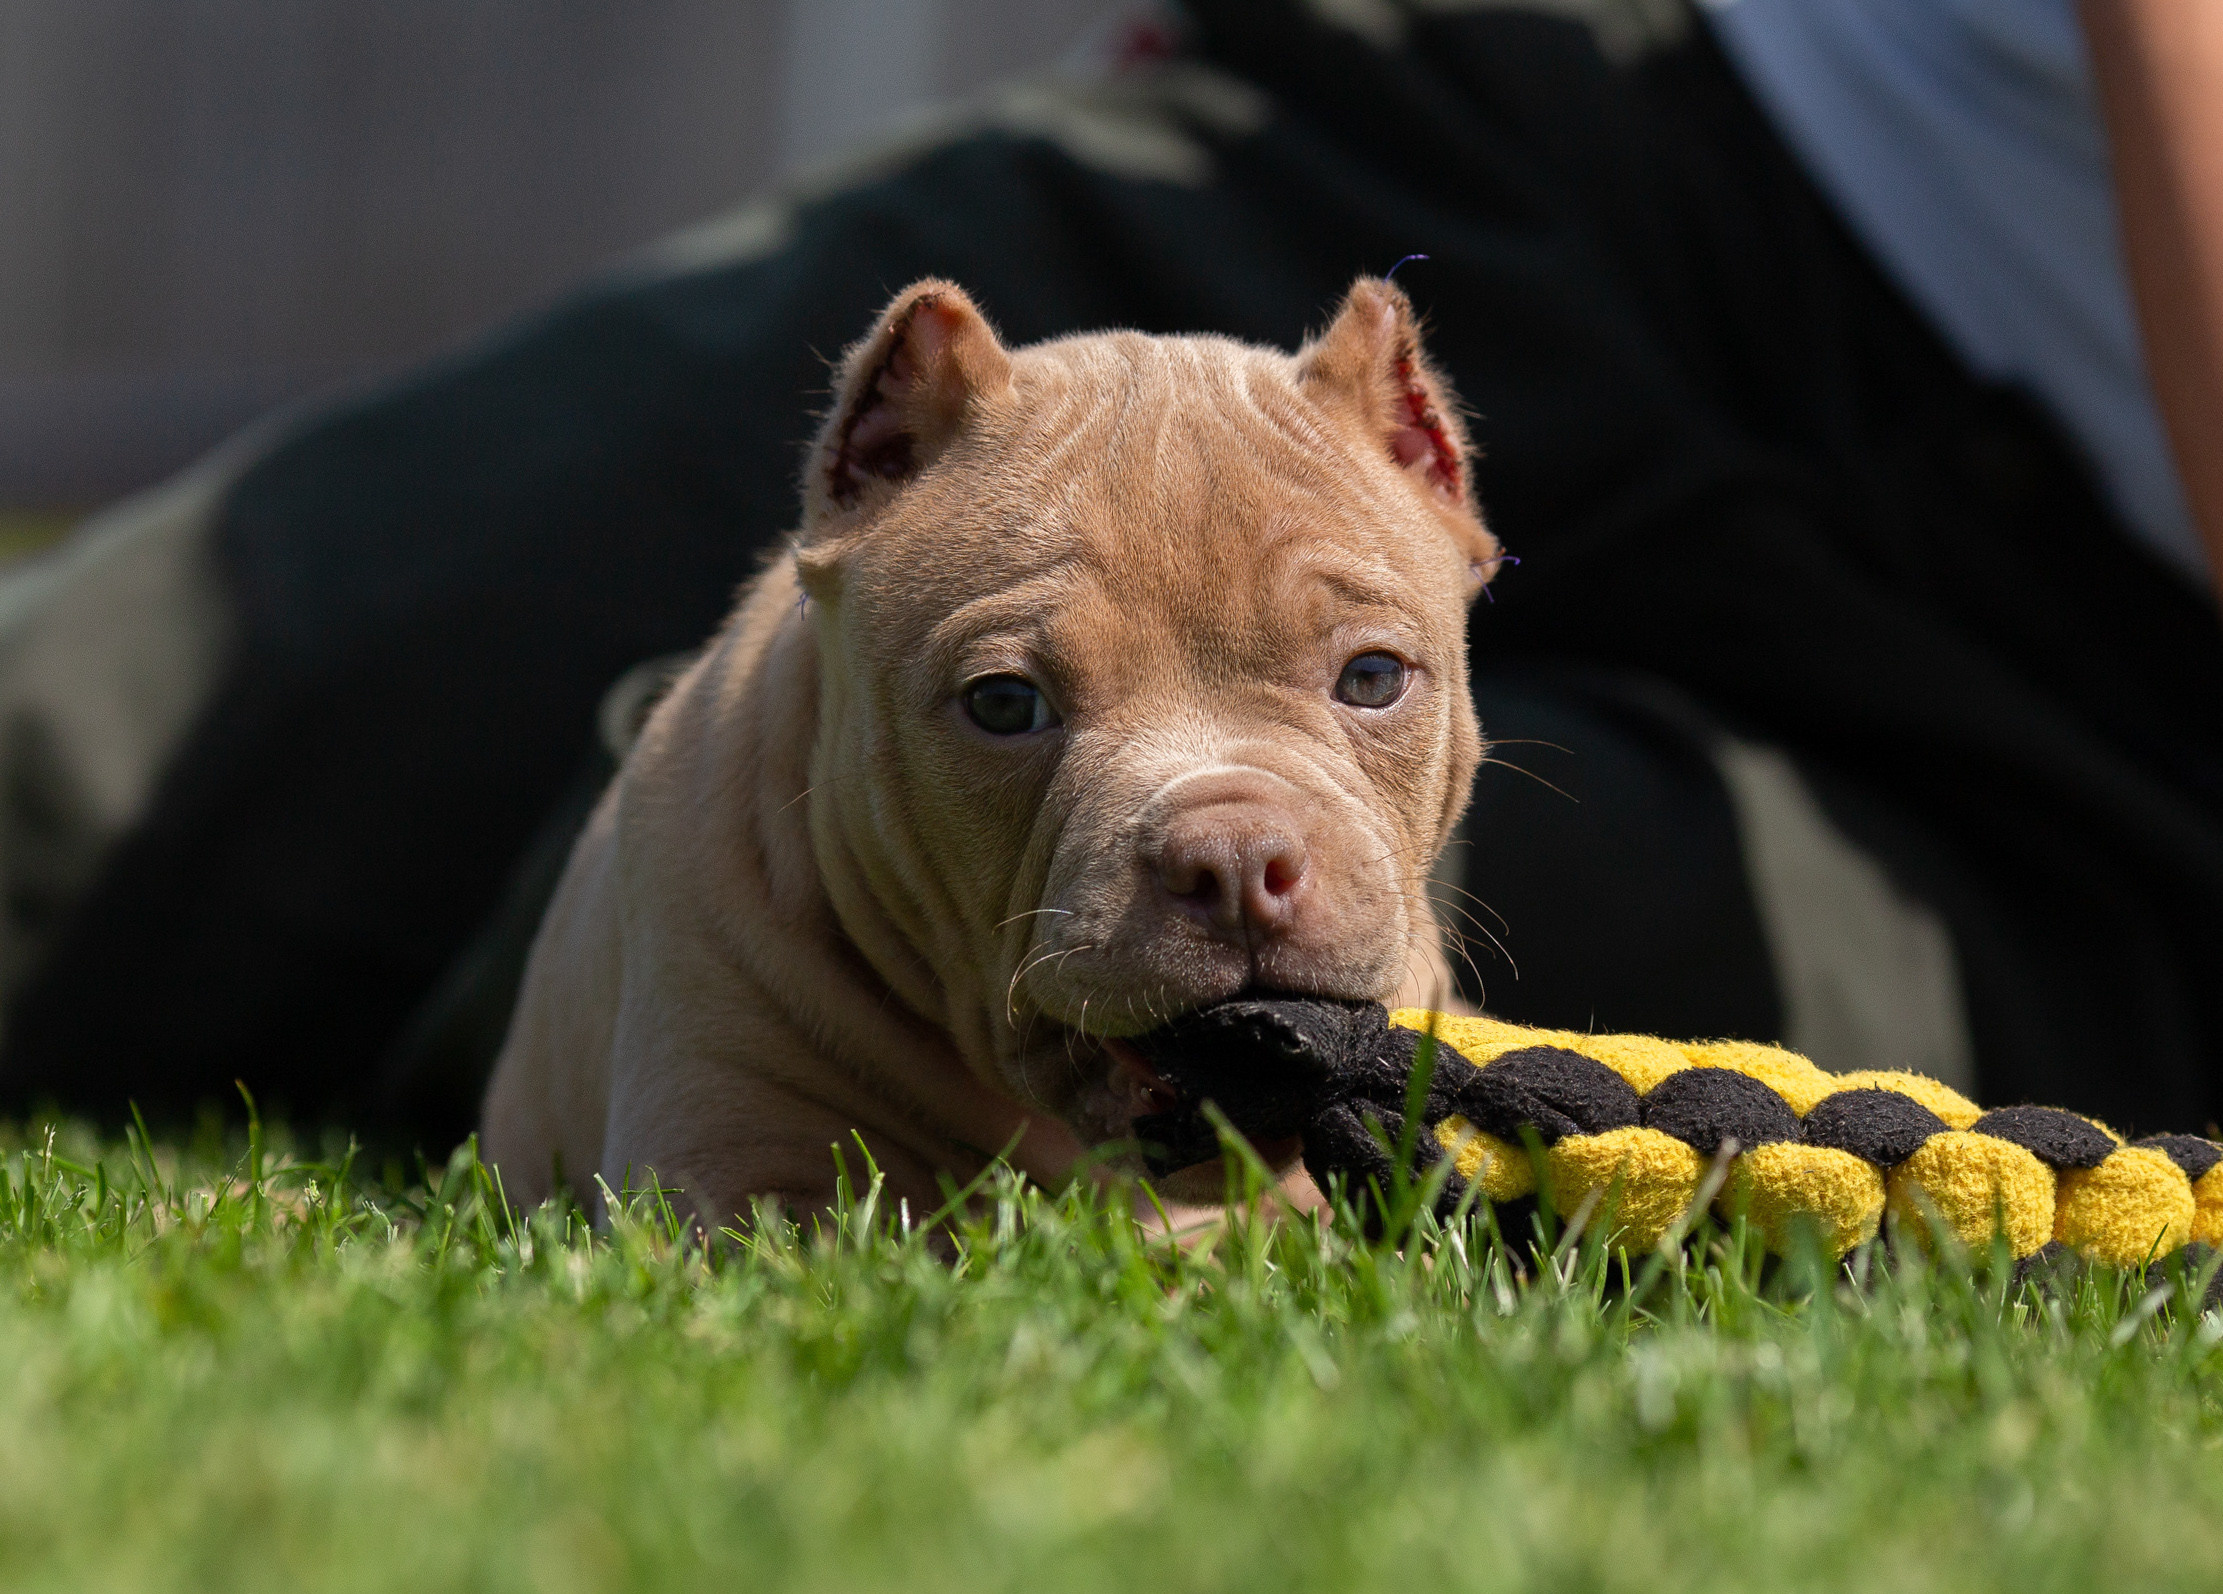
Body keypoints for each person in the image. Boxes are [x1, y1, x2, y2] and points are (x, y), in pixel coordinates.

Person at [0, 0, 2215, 1149]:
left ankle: (640, 1010)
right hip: (1624, 166)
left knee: (1366, 1061)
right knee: (164, 721)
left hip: (2090, 759)